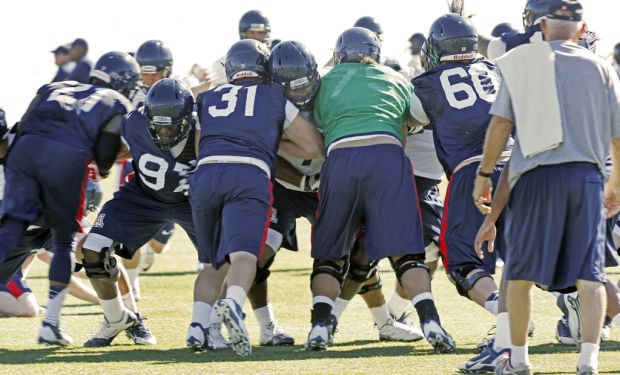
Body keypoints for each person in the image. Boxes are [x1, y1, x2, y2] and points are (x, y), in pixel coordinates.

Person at [472, 1, 620, 373]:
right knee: (590, 276)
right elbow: (618, 138)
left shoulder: (524, 63)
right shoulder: (603, 67)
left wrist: (484, 173)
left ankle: (518, 360)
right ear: (582, 30)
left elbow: (501, 125)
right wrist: (616, 182)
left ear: (540, 25)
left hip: (537, 175)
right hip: (587, 177)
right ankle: (588, 362)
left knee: (518, 275)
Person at [305, 26, 455, 353]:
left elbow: (307, 125)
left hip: (341, 158)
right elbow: (418, 118)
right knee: (407, 256)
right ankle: (431, 320)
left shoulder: (325, 81)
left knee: (330, 258)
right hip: (389, 158)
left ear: (340, 52)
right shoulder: (396, 78)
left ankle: (320, 327)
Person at [189, 39, 323, 356]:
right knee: (245, 254)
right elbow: (313, 147)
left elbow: (200, 148)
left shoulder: (208, 97)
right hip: (247, 174)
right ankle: (233, 305)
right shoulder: (273, 95)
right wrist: (267, 142)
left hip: (206, 174)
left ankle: (198, 327)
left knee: (211, 261)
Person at [0, 51, 139, 346]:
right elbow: (103, 159)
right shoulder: (117, 103)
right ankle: (52, 324)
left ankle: (113, 317)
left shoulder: (54, 88)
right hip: (62, 166)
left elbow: (24, 127)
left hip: (25, 160)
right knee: (75, 244)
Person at [79, 78, 200, 347]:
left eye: (173, 125)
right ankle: (116, 318)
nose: (164, 131)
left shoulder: (203, 128)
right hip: (143, 197)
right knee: (93, 250)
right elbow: (125, 146)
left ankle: (212, 325)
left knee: (223, 259)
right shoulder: (133, 121)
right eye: (157, 124)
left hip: (192, 201)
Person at [208, 10, 272, 88]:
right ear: (243, 33)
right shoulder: (225, 62)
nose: (256, 36)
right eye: (252, 32)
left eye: (260, 32)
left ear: (266, 33)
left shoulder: (274, 59)